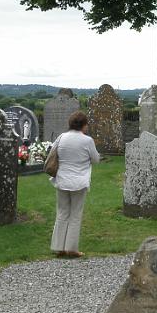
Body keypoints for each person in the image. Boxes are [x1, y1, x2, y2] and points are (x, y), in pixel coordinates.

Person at [49, 110, 100, 258]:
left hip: (62, 179)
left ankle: (59, 247)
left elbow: (53, 154)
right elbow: (96, 159)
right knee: (75, 215)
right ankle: (71, 248)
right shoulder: (87, 140)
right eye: (86, 124)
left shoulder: (61, 137)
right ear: (83, 125)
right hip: (79, 181)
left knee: (62, 213)